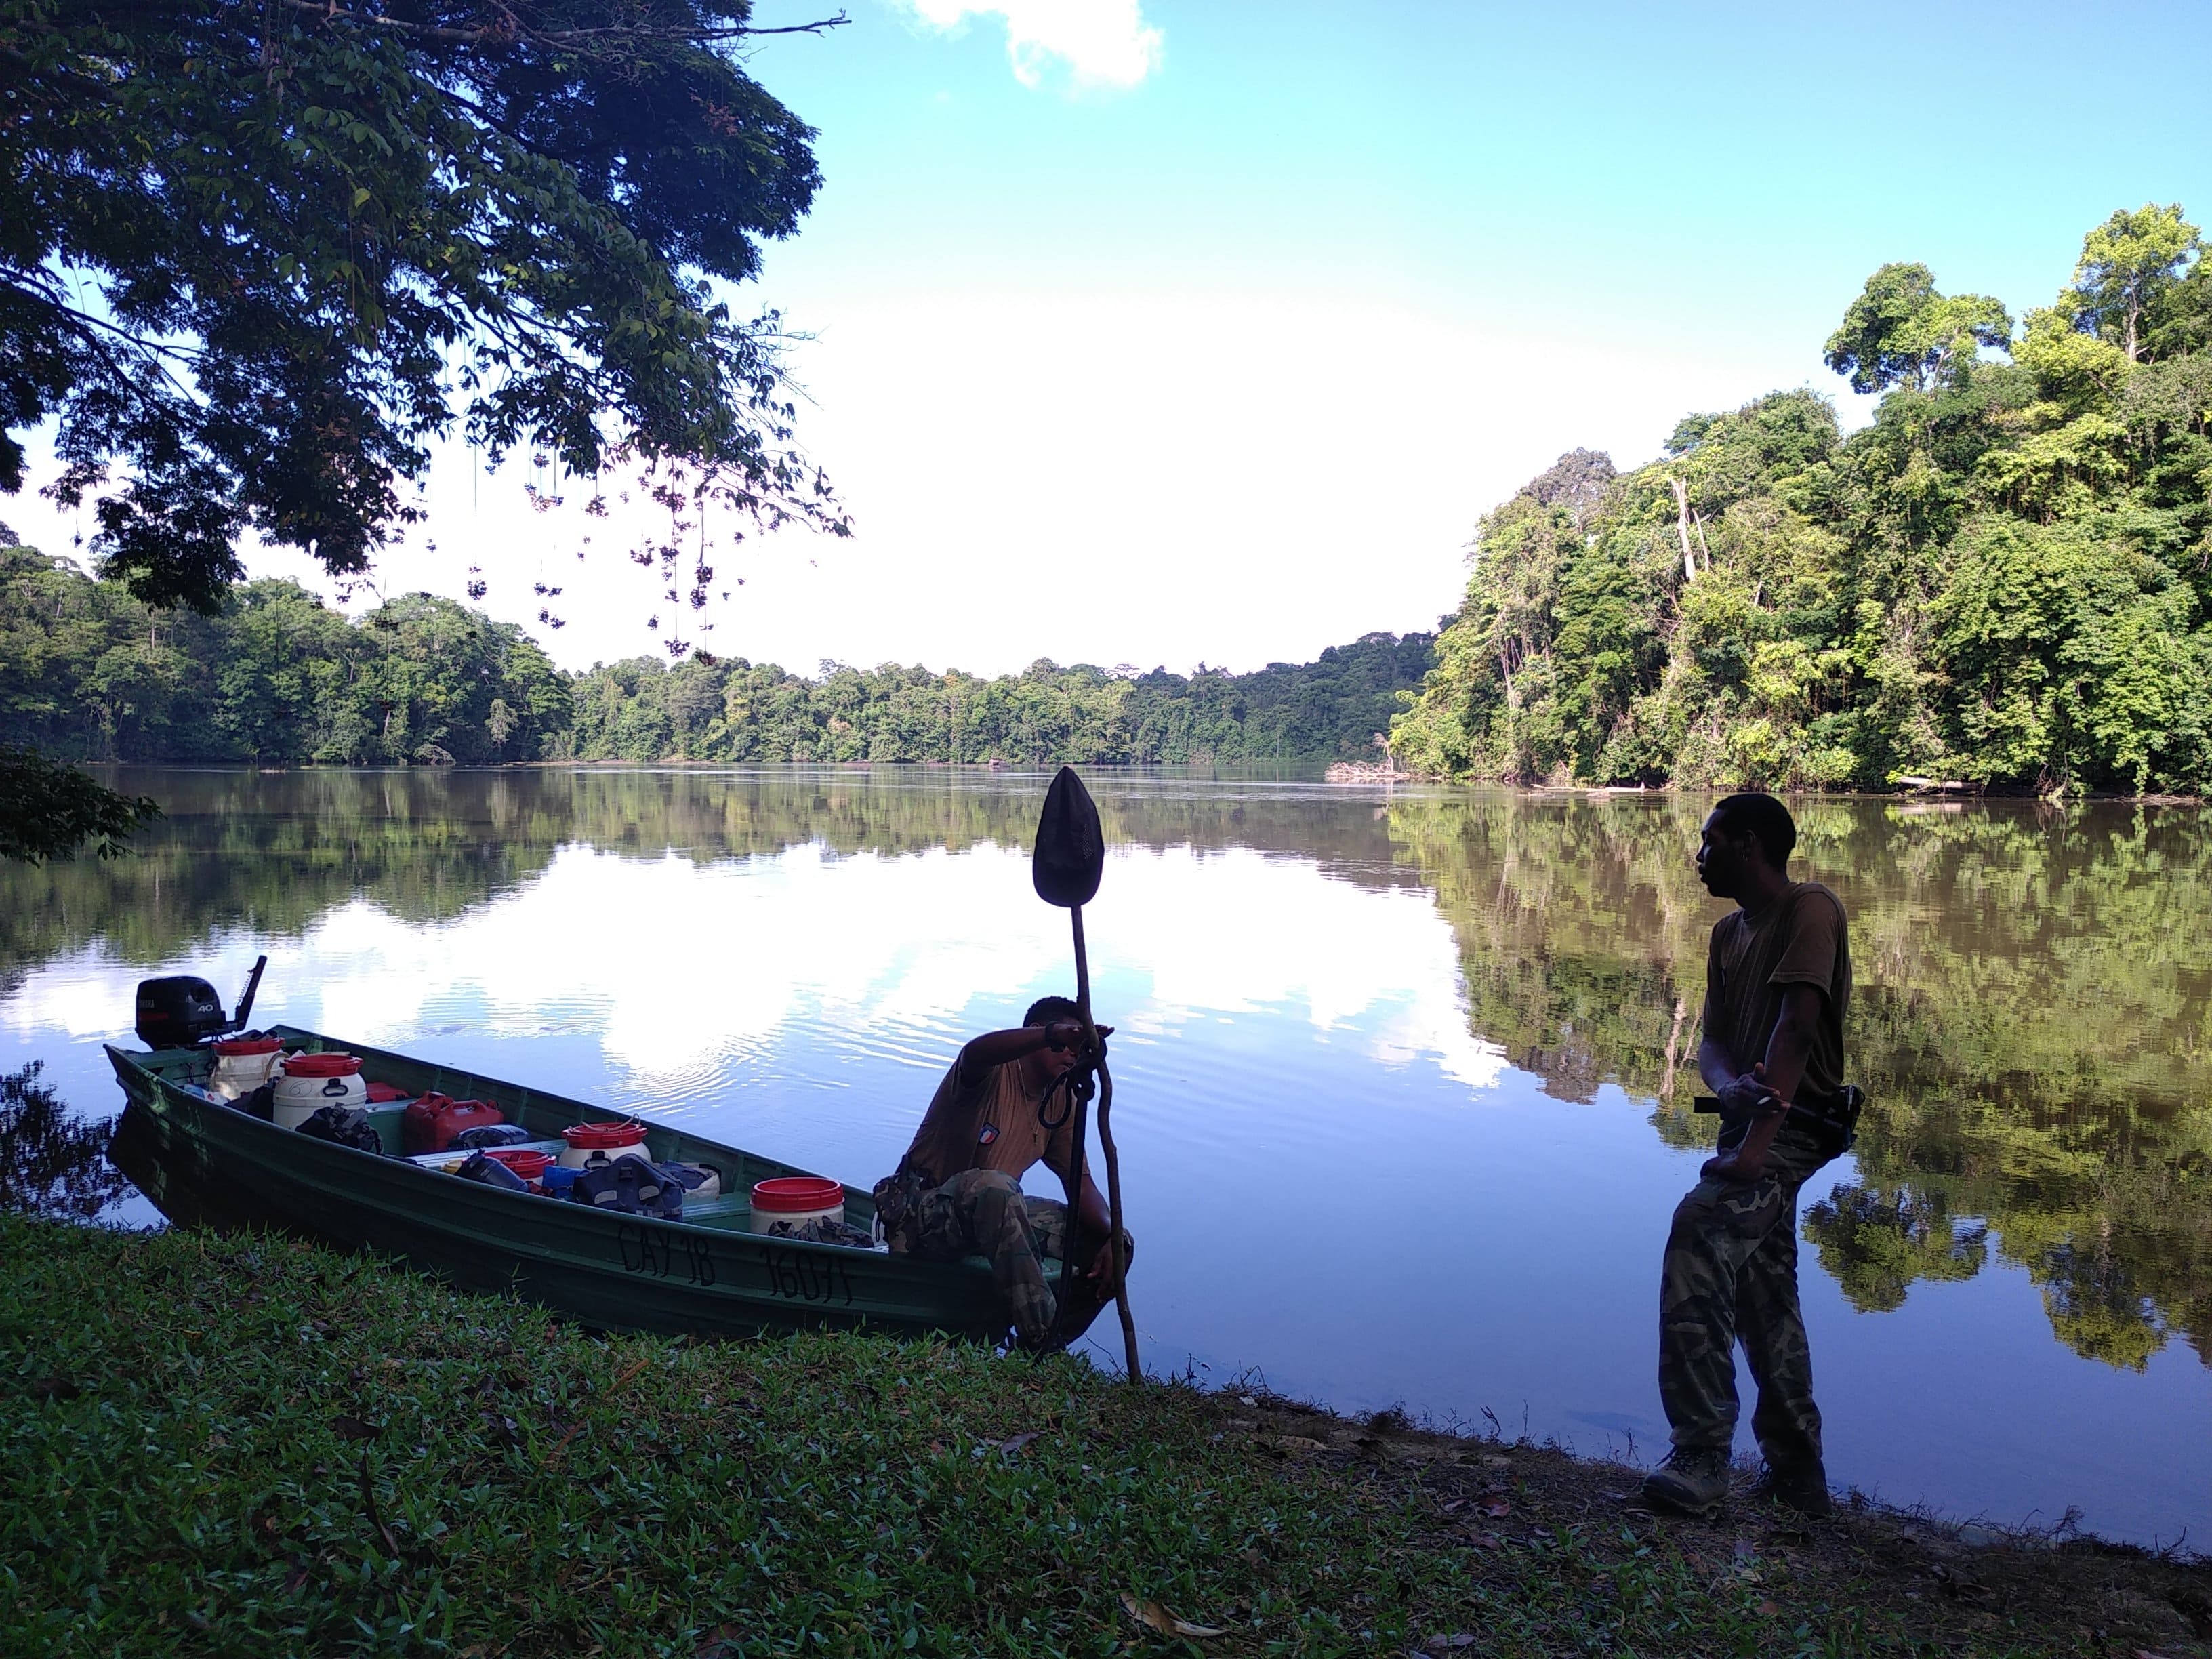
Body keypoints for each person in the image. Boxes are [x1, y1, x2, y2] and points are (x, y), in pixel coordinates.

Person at [1642, 792, 1856, 1519]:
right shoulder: (1728, 934)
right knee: (1764, 1287)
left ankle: (1702, 1454)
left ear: (1749, 846)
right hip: (1749, 1126)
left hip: (1793, 1130)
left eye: (1709, 842)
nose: (1698, 858)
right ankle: (1798, 1476)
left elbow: (1797, 1029)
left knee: (1701, 1231)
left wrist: (1754, 1152)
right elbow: (1713, 1045)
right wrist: (1729, 1087)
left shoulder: (1811, 911)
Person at [872, 995, 1132, 1350]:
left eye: (1080, 1048)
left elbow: (1081, 1185)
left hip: (993, 1215)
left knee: (1116, 1239)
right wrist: (1052, 1034)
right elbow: (975, 1052)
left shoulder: (1062, 1100)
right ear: (1039, 1035)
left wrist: (1113, 1236)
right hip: (921, 1217)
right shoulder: (991, 1070)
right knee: (996, 1187)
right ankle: (1041, 1337)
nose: (1073, 1055)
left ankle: (1044, 1344)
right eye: (1066, 1045)